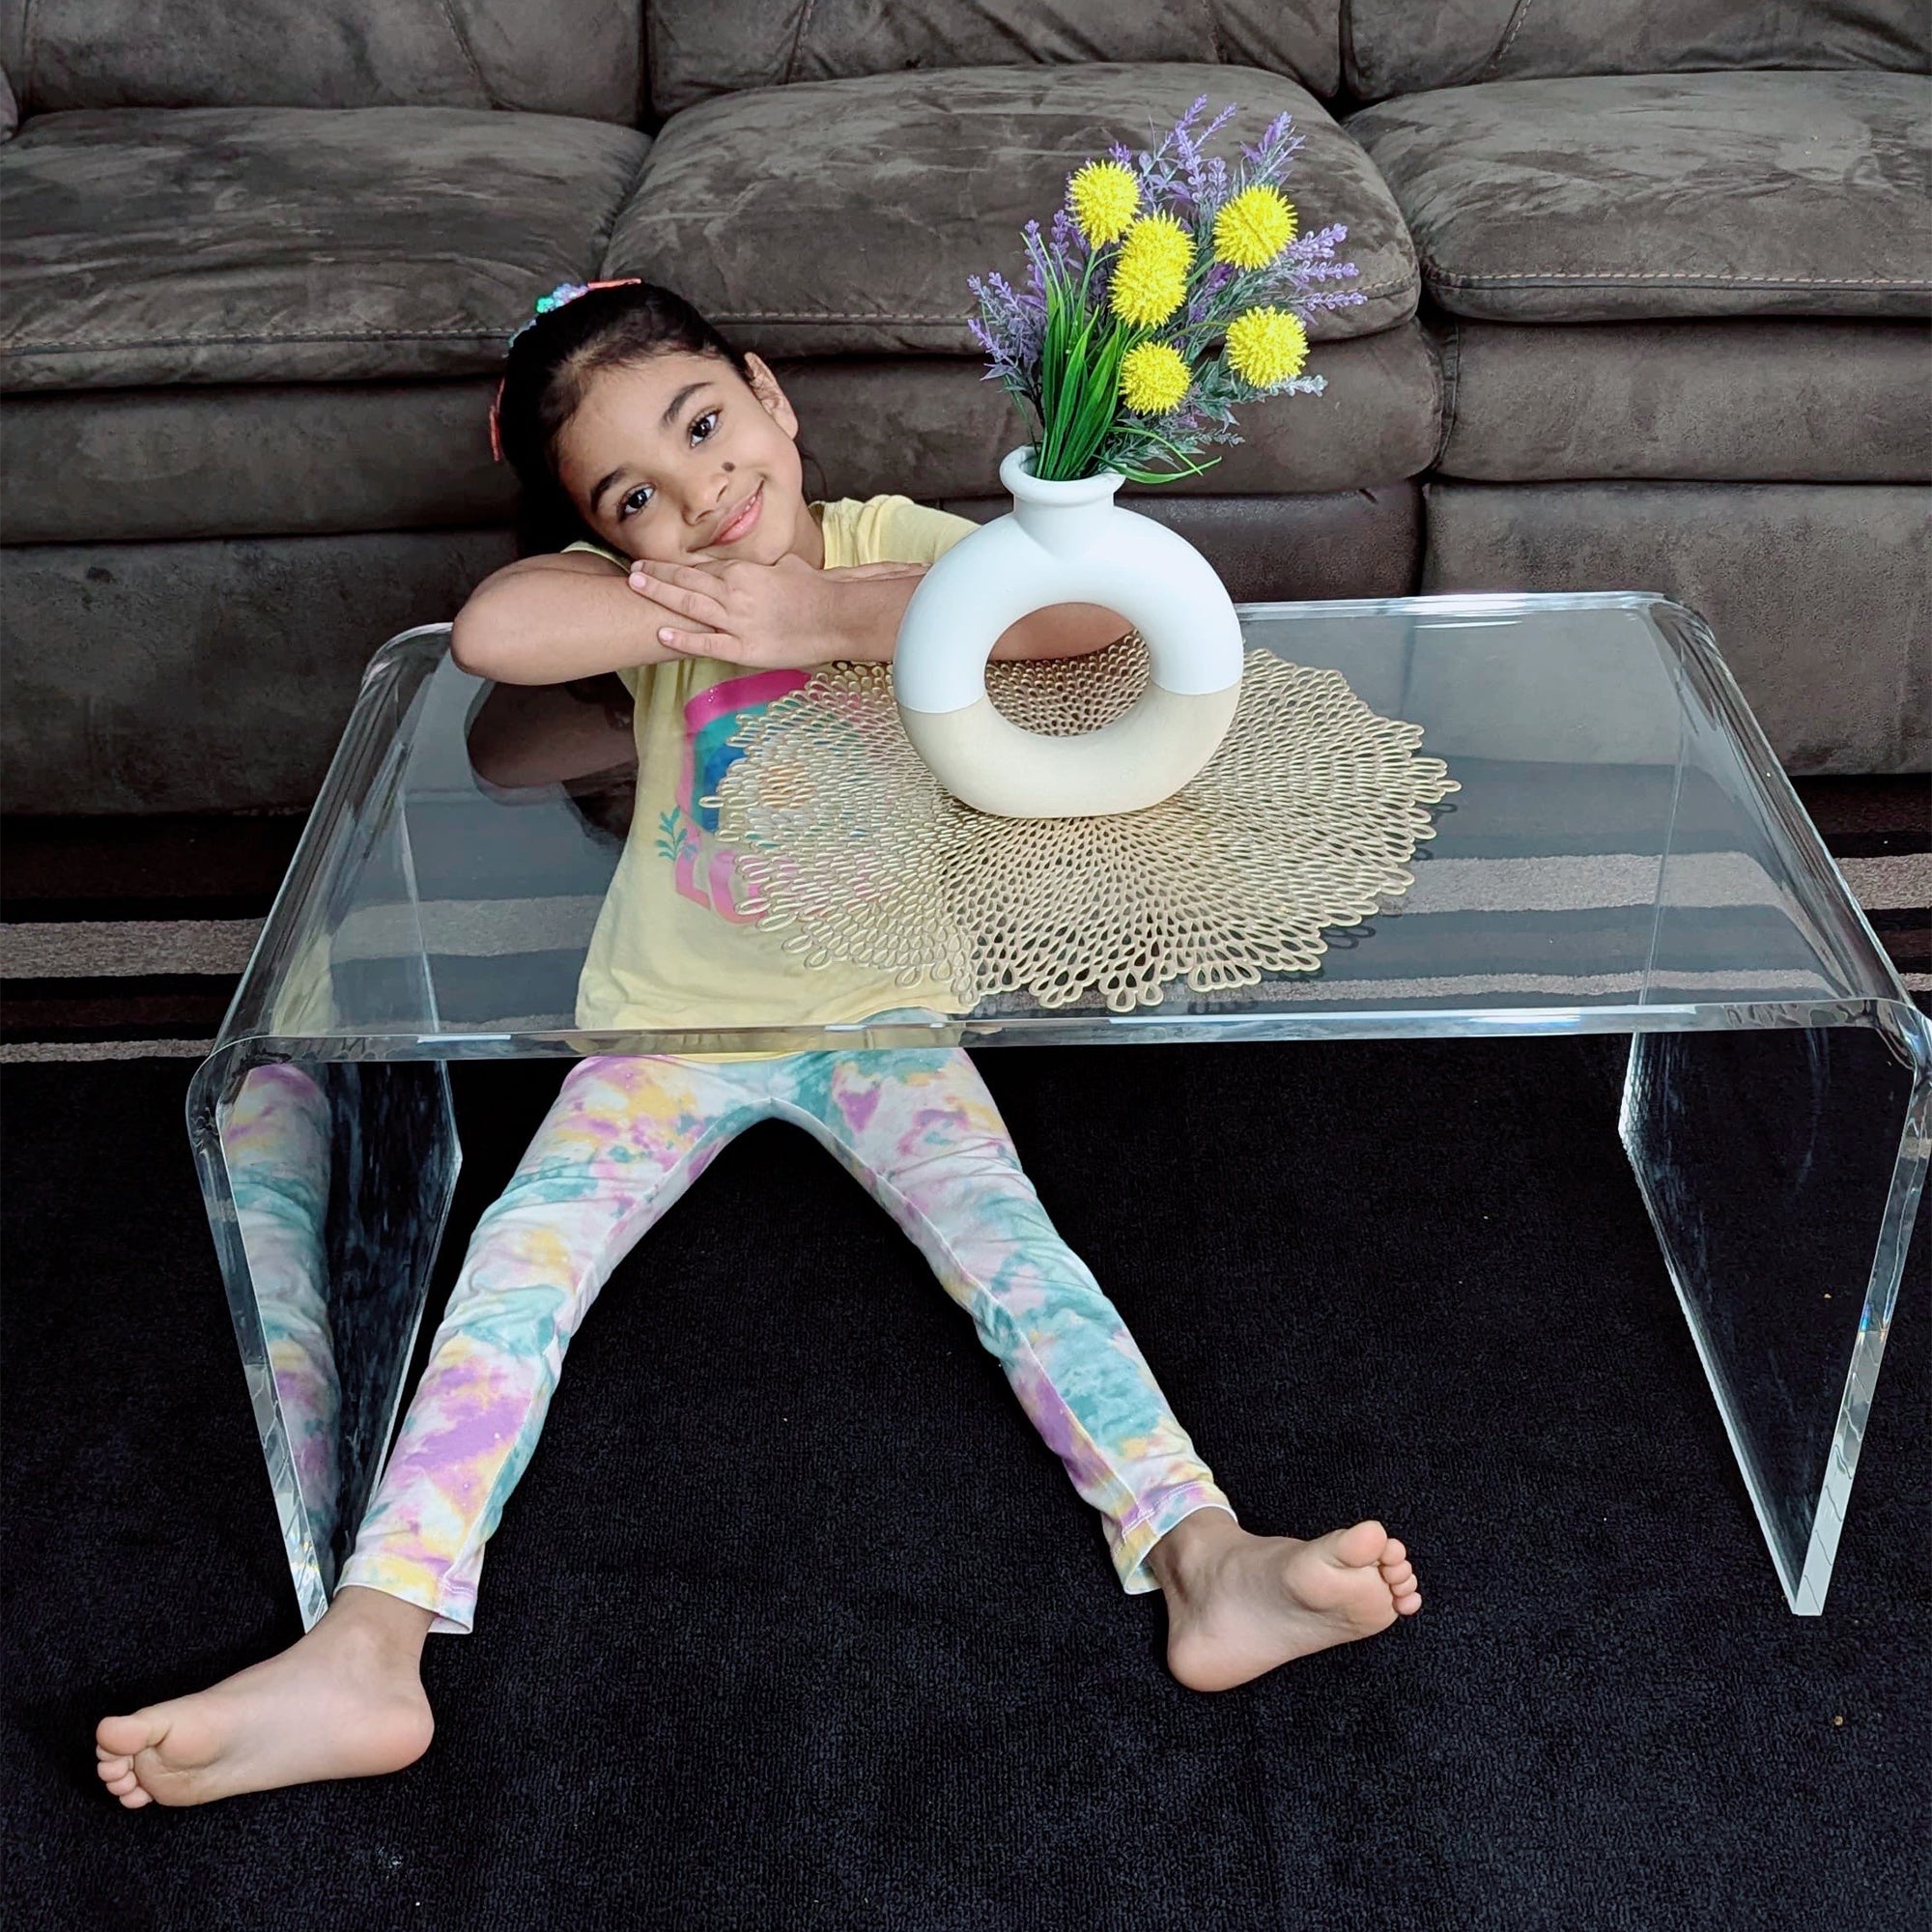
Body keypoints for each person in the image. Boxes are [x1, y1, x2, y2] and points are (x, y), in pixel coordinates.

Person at [96, 279, 1421, 1809]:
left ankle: (1207, 1559)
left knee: (1024, 1258)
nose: (703, 491)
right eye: (636, 492)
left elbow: (1086, 618)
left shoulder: (889, 548)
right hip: (670, 1026)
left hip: (884, 1022)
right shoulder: (661, 597)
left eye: (708, 426)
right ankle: (372, 1644)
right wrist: (690, 589)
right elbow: (495, 627)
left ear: (773, 396)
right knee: (512, 1278)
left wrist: (824, 613)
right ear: (609, 533)